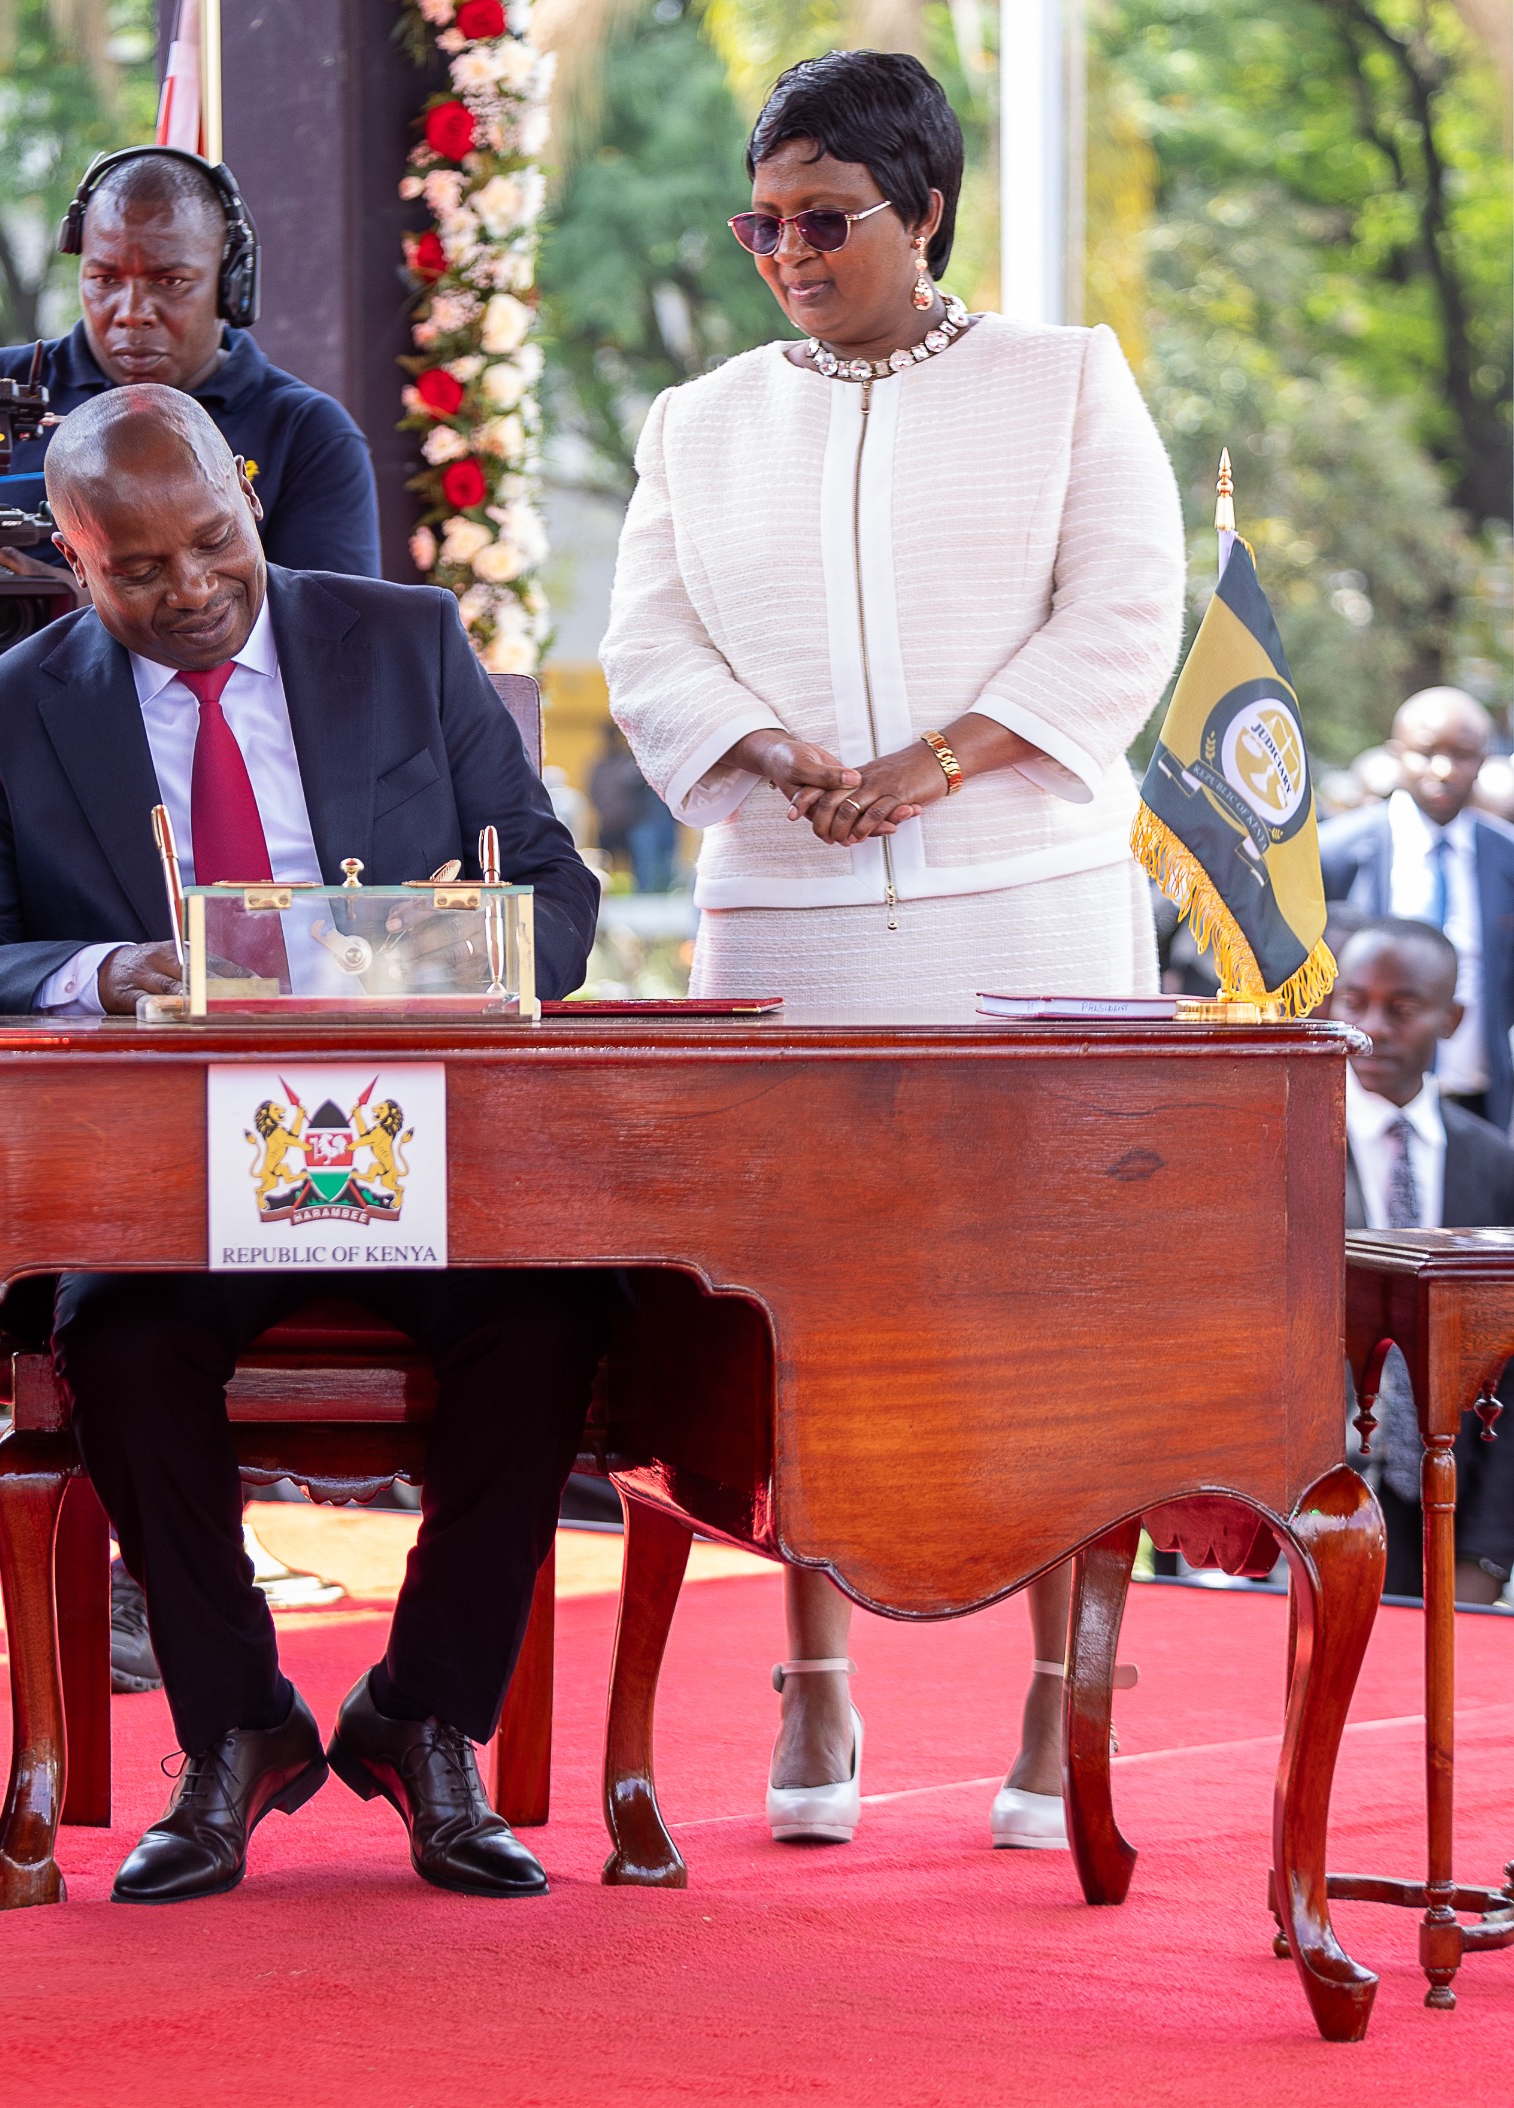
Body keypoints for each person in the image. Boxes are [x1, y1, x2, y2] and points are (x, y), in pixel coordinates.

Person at [0, 387, 606, 1903]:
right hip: (177, 1184)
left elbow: (558, 904)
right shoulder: (15, 711)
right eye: (138, 572)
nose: (192, 589)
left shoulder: (402, 643)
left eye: (214, 544)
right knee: (118, 1336)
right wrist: (106, 971)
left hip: (417, 1157)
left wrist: (402, 949)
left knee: (547, 1319)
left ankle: (425, 1717)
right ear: (74, 560)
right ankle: (238, 1733)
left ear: (249, 501)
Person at [597, 51, 1184, 1853]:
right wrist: (775, 758)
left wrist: (941, 759)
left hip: (1030, 911)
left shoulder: (1064, 380)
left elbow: (1126, 609)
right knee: (794, 1316)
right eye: (761, 220)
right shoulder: (701, 418)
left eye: (825, 218)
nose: (788, 250)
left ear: (923, 211)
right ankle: (815, 1678)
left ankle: (1055, 1693)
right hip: (785, 917)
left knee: (1052, 1311)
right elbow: (652, 645)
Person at [0, 148, 381, 670]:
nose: (132, 312)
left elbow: (332, 641)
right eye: (104, 279)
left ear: (230, 285)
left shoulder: (306, 432)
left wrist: (96, 614)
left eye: (170, 281)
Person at [1330, 919, 1514, 1603]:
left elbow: (1510, 1369)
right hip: (1315, 1514)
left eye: (1402, 1008)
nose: (1373, 1025)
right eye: (1355, 1001)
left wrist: (1488, 1556)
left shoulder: (1492, 1166)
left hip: (1442, 1517)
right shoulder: (1289, 1146)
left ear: (1452, 1017)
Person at [1318, 687, 1514, 1126]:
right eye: (1426, 753)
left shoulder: (1507, 859)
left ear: (1483, 759)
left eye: (1462, 754)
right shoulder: (1335, 853)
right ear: (1397, 754)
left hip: (1476, 1099)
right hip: (1360, 1101)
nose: (1443, 770)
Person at [590, 724, 677, 891]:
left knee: (644, 865)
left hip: (634, 822)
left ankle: (644, 895)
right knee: (604, 863)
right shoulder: (600, 765)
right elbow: (593, 792)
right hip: (609, 824)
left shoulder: (630, 762)